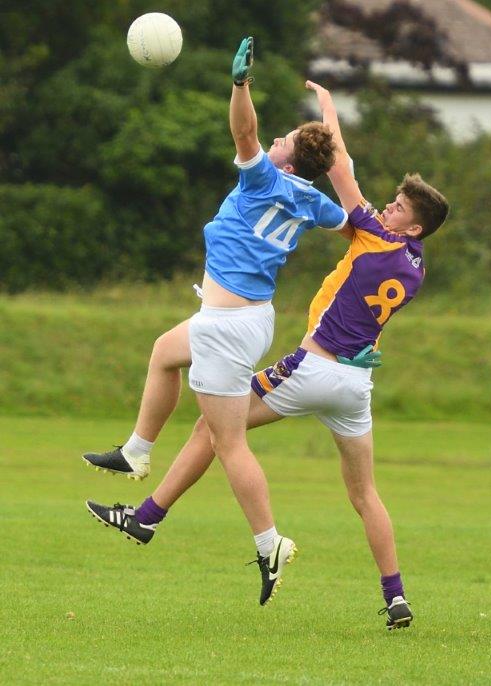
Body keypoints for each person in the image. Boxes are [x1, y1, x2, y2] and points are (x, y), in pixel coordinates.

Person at [85, 71, 449, 629]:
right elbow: (330, 187)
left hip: (311, 366)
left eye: (398, 208)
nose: (388, 209)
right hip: (356, 385)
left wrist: (327, 113)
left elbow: (339, 168)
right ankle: (396, 595)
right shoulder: (416, 267)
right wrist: (319, 137)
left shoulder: (373, 232)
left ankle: (210, 526)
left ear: (415, 227)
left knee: (219, 432)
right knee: (364, 493)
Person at [83, 37, 344, 482]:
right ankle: (136, 450)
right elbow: (351, 217)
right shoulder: (316, 203)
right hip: (250, 314)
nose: (277, 139)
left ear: (287, 167)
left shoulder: (265, 180)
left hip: (230, 320)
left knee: (229, 443)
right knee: (165, 352)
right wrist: (328, 120)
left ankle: (269, 541)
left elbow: (245, 132)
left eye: (288, 140)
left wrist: (241, 84)